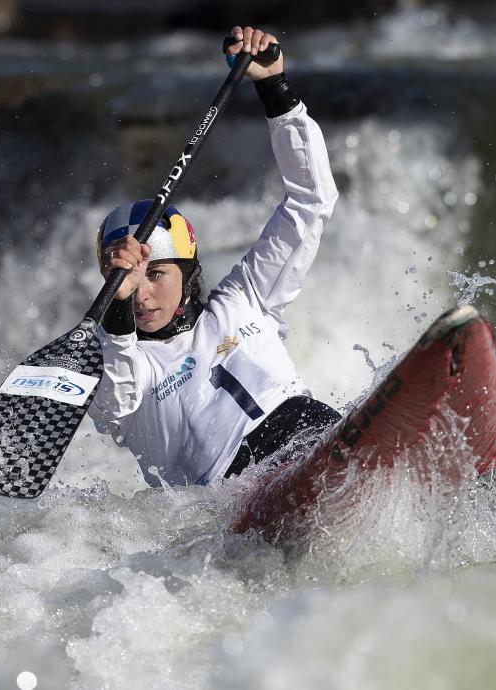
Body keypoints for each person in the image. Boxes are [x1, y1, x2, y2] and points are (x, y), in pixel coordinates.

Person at [89, 26, 340, 487]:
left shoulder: (246, 298)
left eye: (156, 275)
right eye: (127, 282)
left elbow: (311, 201)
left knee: (317, 424)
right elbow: (113, 406)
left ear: (186, 274)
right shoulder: (124, 362)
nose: (142, 294)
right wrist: (117, 317)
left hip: (313, 435)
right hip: (234, 495)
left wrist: (274, 89)